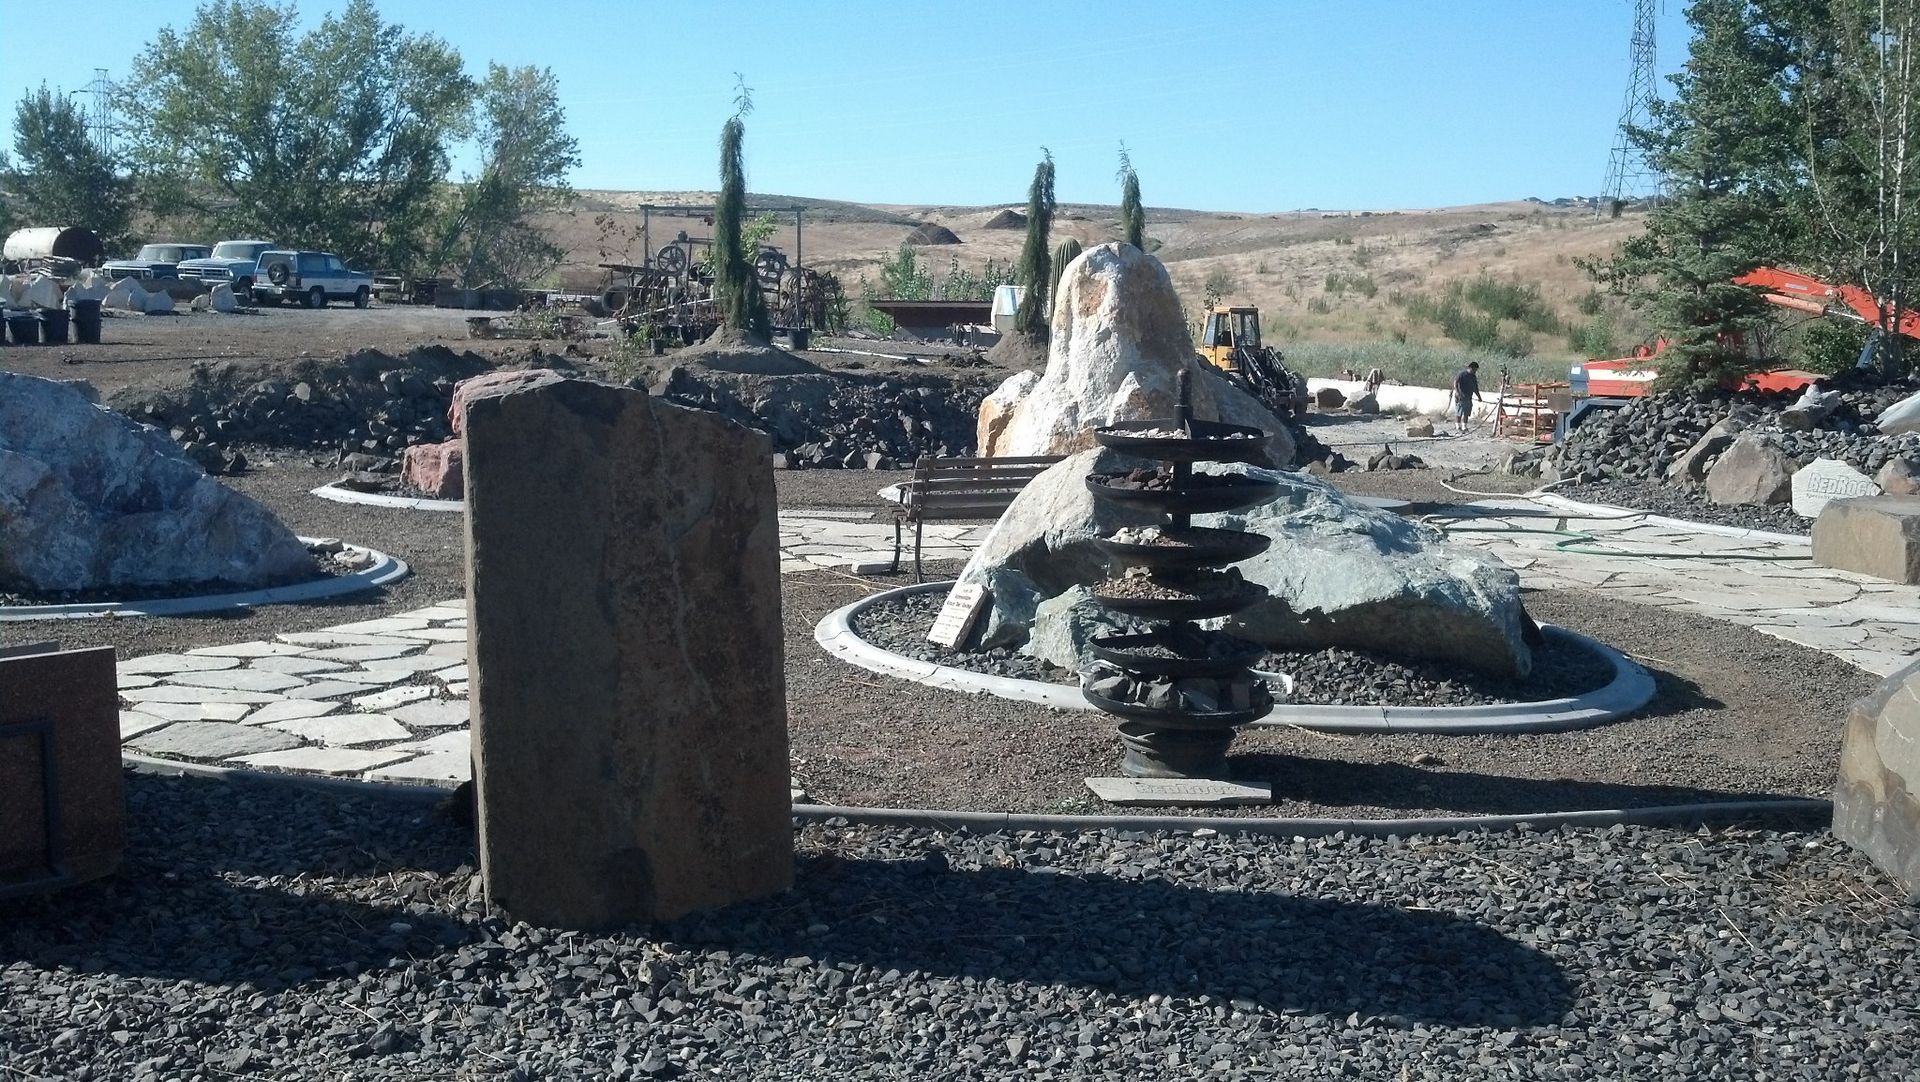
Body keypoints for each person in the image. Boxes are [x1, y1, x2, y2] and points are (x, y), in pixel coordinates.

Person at [1451, 361, 1482, 433]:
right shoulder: (1462, 374)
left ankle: (1464, 426)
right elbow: (1456, 383)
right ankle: (1458, 426)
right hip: (1460, 397)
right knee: (1459, 411)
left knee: (1466, 412)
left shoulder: (1473, 377)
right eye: (1474, 370)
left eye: (1476, 370)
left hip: (1468, 397)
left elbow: (1475, 388)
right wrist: (1458, 392)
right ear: (1470, 368)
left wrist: (1479, 397)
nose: (1475, 371)